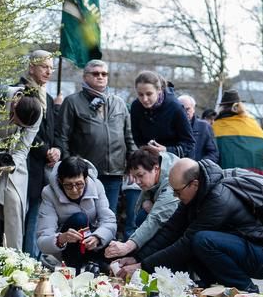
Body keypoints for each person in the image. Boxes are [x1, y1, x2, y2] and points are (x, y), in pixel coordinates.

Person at [117, 158, 263, 292]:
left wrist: (142, 266)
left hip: (261, 256)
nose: (176, 196)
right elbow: (170, 230)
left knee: (201, 240)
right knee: (194, 239)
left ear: (194, 184)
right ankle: (213, 287)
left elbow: (185, 245)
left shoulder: (218, 199)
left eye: (178, 192)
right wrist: (137, 257)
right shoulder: (195, 194)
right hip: (237, 247)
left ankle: (246, 290)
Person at [55, 59, 137, 215]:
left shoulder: (119, 102)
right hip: (84, 174)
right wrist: (69, 168)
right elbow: (62, 137)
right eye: (95, 73)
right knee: (86, 217)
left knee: (108, 216)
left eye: (104, 74)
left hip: (114, 172)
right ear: (85, 77)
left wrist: (133, 164)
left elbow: (129, 137)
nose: (100, 77)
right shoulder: (72, 102)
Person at [0, 87, 43, 249]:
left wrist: (11, 165)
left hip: (12, 161)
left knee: (15, 206)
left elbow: (23, 148)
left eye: (20, 125)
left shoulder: (37, 112)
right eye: (14, 119)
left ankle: (14, 259)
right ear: (14, 104)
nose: (13, 124)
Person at [37, 156, 117, 270]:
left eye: (79, 184)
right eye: (68, 185)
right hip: (68, 247)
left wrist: (98, 237)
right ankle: (75, 269)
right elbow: (43, 240)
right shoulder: (49, 193)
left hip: (92, 241)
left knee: (118, 249)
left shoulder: (96, 185)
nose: (74, 190)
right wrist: (61, 238)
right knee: (79, 219)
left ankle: (97, 266)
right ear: (60, 181)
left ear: (86, 179)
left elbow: (109, 221)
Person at [18, 50, 62, 258]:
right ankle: (18, 258)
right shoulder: (20, 92)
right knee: (19, 216)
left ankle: (31, 259)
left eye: (51, 68)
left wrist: (56, 150)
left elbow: (53, 132)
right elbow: (23, 131)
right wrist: (46, 151)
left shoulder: (49, 99)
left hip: (42, 169)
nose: (49, 72)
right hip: (24, 165)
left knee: (36, 217)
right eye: (44, 67)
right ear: (31, 67)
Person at [104, 148, 179, 260]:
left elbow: (156, 218)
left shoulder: (172, 180)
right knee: (141, 216)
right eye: (134, 177)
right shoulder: (157, 168)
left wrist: (128, 246)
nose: (137, 182)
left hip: (187, 229)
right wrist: (146, 201)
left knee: (147, 218)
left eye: (140, 175)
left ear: (156, 169)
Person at [129, 71, 195, 158]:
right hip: (150, 159)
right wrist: (146, 148)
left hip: (175, 160)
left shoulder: (176, 108)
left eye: (149, 94)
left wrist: (166, 150)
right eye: (140, 94)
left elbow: (189, 144)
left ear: (159, 90)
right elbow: (137, 137)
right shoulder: (136, 106)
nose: (144, 99)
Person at [213, 89, 263, 174]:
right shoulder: (252, 124)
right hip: (254, 175)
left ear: (222, 107)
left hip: (226, 175)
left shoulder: (216, 126)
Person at [179, 94, 219, 162]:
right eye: (181, 109)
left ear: (193, 109)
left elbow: (213, 153)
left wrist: (199, 165)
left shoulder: (204, 127)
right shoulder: (171, 127)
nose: (185, 112)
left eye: (188, 109)